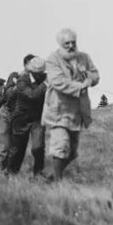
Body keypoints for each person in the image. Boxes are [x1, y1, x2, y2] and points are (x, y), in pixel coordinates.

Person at [42, 28, 100, 181]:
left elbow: (95, 75)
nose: (70, 45)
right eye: (66, 43)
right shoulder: (52, 59)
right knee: (60, 146)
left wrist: (88, 77)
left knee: (72, 153)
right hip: (58, 111)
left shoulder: (84, 57)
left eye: (73, 42)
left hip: (77, 112)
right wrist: (80, 86)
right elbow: (58, 82)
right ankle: (58, 183)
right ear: (60, 44)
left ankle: (53, 175)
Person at [7, 56, 47, 177]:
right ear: (31, 71)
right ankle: (11, 174)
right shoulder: (22, 81)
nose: (40, 74)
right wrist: (46, 83)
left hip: (37, 119)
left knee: (38, 148)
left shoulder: (43, 78)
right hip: (21, 120)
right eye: (38, 72)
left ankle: (38, 175)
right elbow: (32, 95)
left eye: (42, 72)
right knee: (17, 150)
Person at [0, 71, 19, 171]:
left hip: (17, 115)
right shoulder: (15, 76)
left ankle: (10, 167)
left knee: (14, 143)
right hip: (6, 113)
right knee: (4, 142)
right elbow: (9, 94)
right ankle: (2, 166)